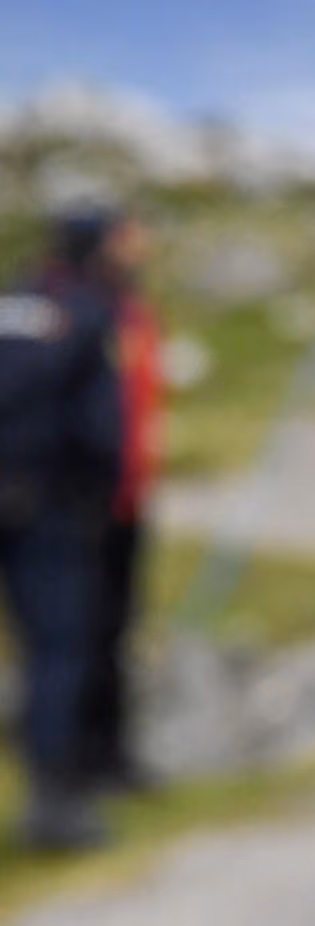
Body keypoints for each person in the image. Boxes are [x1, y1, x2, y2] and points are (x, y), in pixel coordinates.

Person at [0, 217, 126, 850]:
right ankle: (53, 805)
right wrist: (100, 501)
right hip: (46, 509)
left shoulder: (8, 305)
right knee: (57, 651)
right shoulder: (84, 314)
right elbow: (101, 426)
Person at [37, 207, 165, 794]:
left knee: (107, 632)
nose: (137, 246)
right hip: (82, 504)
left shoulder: (118, 308)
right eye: (124, 236)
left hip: (118, 497)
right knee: (75, 637)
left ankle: (105, 756)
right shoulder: (84, 314)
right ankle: (74, 770)